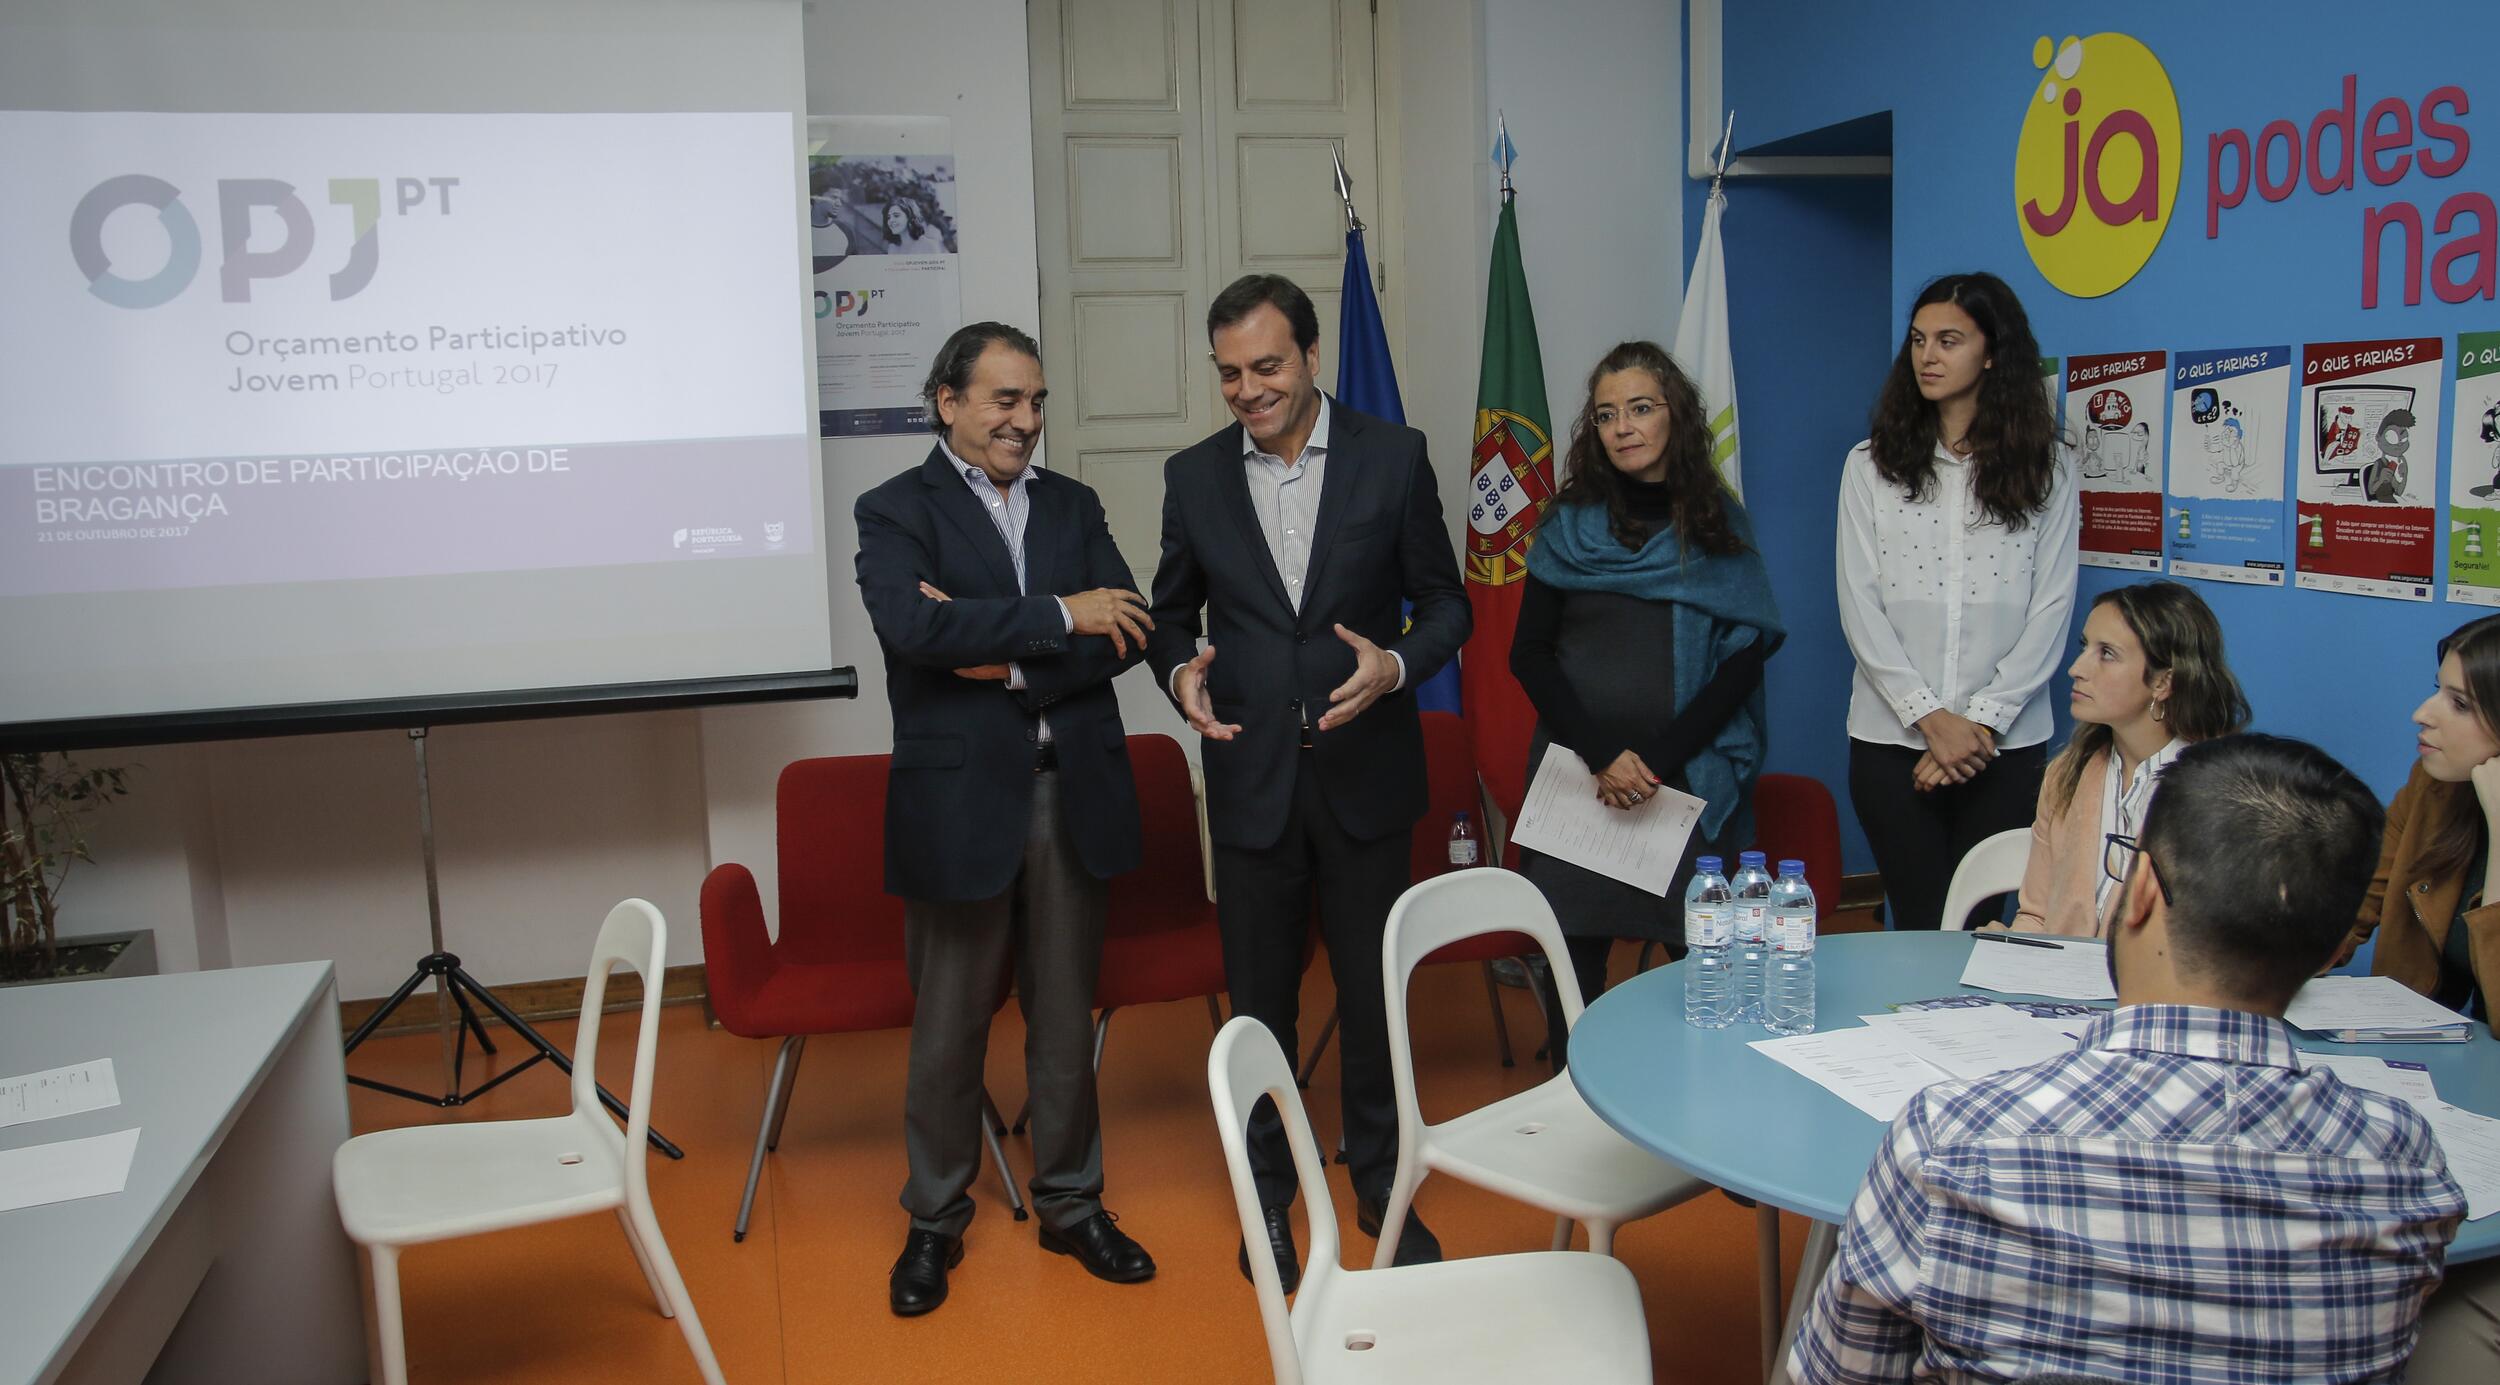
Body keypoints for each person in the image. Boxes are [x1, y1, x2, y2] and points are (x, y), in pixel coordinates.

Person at [1791, 734, 2468, 1384]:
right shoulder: (2404, 1158)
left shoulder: (1950, 1140)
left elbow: (1841, 1370)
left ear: (2138, 889)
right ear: (2327, 952)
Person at [1146, 273, 1470, 1290]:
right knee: (1261, 1004)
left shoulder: (1395, 456)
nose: (1248, 389)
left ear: (1313, 357)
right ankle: (1269, 1192)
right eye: (1230, 373)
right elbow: (1168, 613)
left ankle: (1380, 1178)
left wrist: (1401, 664)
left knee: (1373, 994)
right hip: (1248, 775)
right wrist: (1175, 670)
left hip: (1368, 772)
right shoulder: (1193, 475)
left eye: (1268, 365)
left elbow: (1447, 605)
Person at [853, 322, 1160, 1316]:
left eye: (1035, 401)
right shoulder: (895, 508)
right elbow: (913, 628)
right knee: (947, 1031)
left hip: (1071, 788)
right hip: (959, 801)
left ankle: (1072, 1203)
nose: (1024, 421)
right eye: (1003, 400)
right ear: (948, 400)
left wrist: (1002, 647)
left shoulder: (1072, 503)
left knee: (1064, 1020)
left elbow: (1132, 628)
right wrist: (1062, 613)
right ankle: (935, 1218)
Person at [1508, 341, 1783, 1069]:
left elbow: (1743, 658)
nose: (1623, 427)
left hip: (1682, 779)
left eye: (1640, 408)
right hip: (1580, 777)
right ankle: (1579, 1104)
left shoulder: (1720, 525)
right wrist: (1603, 757)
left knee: (1709, 961)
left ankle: (1712, 1124)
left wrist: (1654, 763)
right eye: (1606, 414)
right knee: (1574, 967)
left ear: (1676, 416)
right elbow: (1527, 653)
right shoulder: (1566, 523)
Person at [1837, 271, 2077, 931]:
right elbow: (1860, 607)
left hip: (2005, 747)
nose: (1928, 356)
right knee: (1917, 921)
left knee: (1982, 926)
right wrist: (1931, 721)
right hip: (1891, 741)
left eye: (1949, 340)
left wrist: (1980, 726)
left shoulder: (2050, 470)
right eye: (1918, 341)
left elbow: (2052, 609)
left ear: (1992, 352)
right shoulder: (1870, 465)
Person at [2005, 581, 2248, 936]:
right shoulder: (2065, 774)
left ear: (2163, 682)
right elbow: (2036, 915)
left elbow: (2230, 942)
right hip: (2060, 985)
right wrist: (2009, 949)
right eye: (2085, 647)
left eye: (2107, 654)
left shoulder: (2223, 790)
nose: (2076, 668)